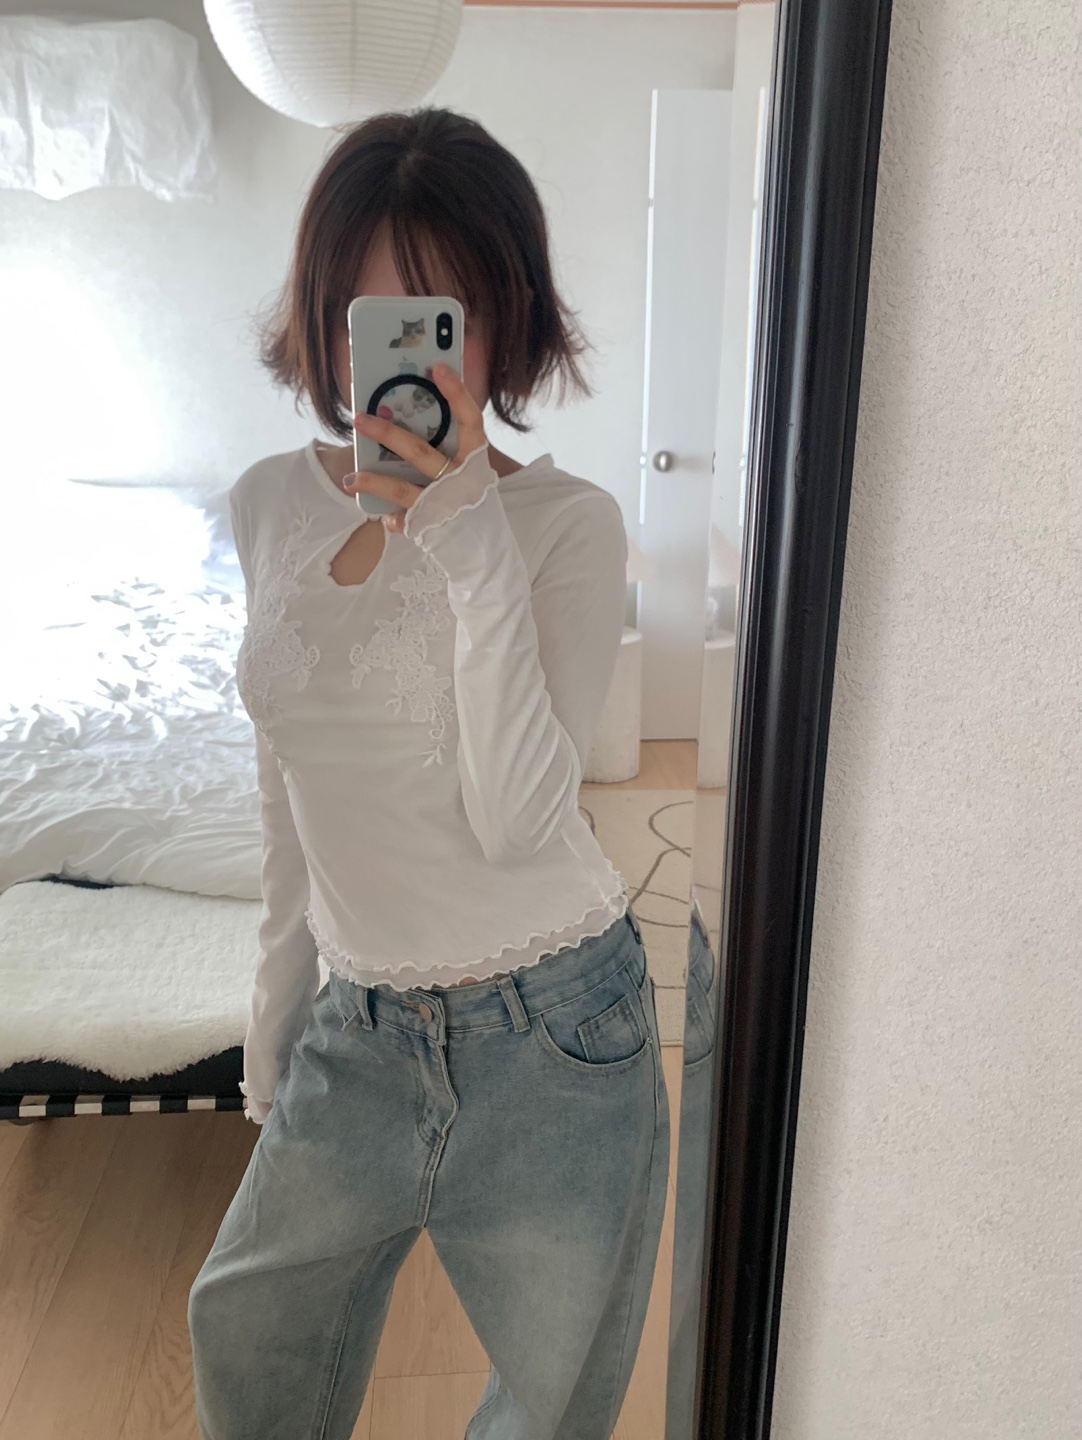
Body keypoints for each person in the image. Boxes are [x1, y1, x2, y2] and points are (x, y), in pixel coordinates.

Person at [188, 107, 670, 1440]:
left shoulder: (566, 527)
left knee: (549, 1402)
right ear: (324, 318)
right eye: (373, 314)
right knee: (246, 1328)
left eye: (441, 316)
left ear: (503, 323)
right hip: (359, 1023)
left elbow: (520, 821)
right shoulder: (266, 503)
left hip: (557, 1031)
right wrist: (276, 1017)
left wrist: (467, 538)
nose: (408, 358)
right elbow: (287, 796)